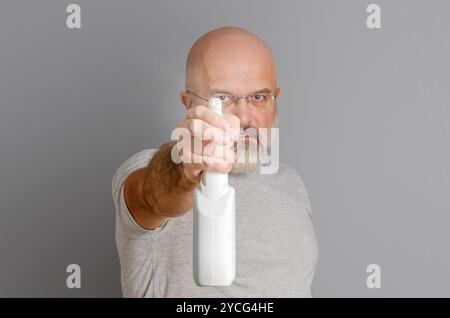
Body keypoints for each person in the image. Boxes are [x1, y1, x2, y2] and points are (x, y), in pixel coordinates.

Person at [112, 26, 318, 297]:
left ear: (275, 99)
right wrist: (185, 170)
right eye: (223, 98)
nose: (244, 117)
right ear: (189, 104)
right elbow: (153, 195)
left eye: (258, 97)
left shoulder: (290, 182)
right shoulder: (150, 167)